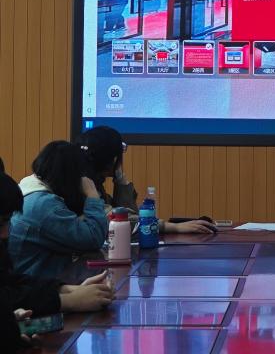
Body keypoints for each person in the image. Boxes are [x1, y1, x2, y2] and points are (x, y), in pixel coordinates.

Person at [0, 158, 113, 348]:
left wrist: (66, 289)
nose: (5, 234)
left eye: (7, 221)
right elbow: (92, 237)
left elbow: (10, 282)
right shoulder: (41, 204)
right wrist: (68, 300)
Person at [77, 125, 216, 235]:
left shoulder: (93, 181)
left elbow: (127, 216)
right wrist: (174, 227)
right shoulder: (84, 184)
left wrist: (120, 180)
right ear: (113, 159)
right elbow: (120, 222)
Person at [8, 142, 108, 280]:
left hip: (32, 282)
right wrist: (92, 195)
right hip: (35, 287)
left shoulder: (31, 191)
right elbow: (93, 238)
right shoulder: (43, 205)